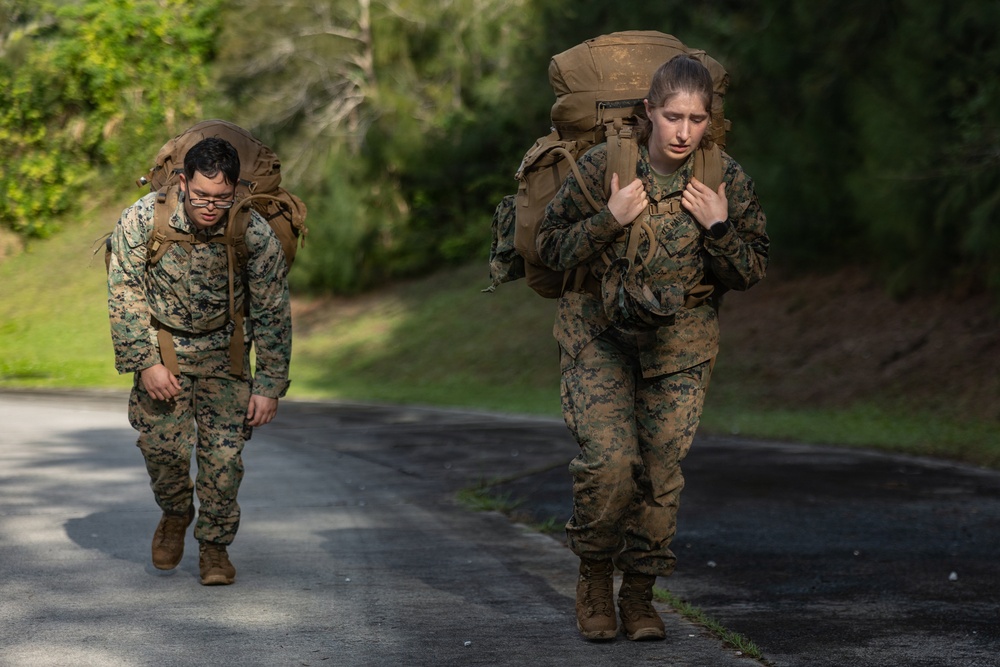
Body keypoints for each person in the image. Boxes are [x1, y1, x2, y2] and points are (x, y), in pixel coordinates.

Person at [536, 54, 769, 641]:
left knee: (660, 479)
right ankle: (593, 581)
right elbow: (548, 249)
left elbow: (752, 270)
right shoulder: (603, 166)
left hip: (680, 346)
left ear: (709, 118)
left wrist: (719, 228)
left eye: (696, 118)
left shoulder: (723, 177)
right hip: (599, 335)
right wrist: (607, 220)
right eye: (672, 116)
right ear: (648, 112)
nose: (685, 131)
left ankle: (638, 596)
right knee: (610, 465)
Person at [107, 137, 292, 586]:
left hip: (224, 357)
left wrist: (269, 384)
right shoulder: (142, 218)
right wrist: (145, 360)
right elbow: (123, 290)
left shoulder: (251, 230)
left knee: (223, 462)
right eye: (202, 195)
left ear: (236, 191)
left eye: (222, 198)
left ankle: (214, 549)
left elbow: (272, 309)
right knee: (161, 451)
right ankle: (175, 512)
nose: (211, 206)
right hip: (162, 353)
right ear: (184, 183)